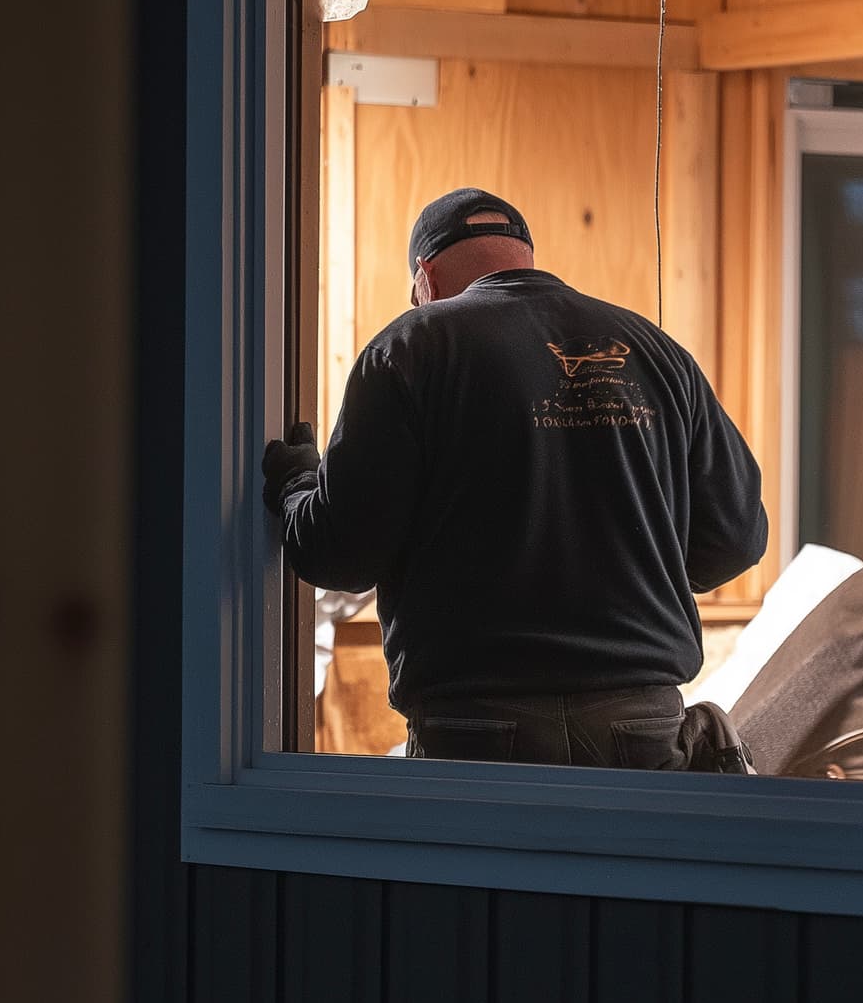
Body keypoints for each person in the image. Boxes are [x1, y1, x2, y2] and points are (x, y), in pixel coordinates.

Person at [261, 187, 767, 768]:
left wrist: (296, 485)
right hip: (641, 730)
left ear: (423, 276)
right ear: (524, 254)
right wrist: (637, 569)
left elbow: (340, 556)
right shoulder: (656, 353)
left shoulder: (410, 347)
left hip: (475, 734)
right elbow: (735, 539)